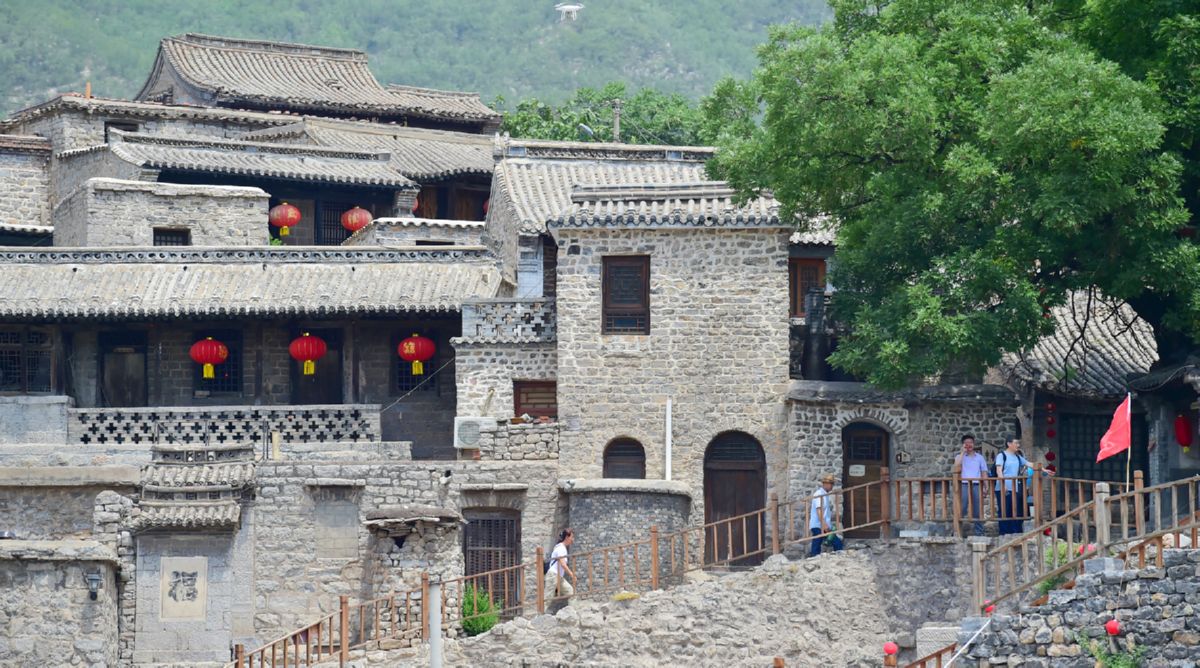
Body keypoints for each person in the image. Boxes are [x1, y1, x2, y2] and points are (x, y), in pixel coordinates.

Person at [953, 434, 989, 537]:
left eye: (971, 443)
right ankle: (958, 531)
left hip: (977, 485)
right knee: (962, 507)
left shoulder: (980, 457)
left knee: (978, 509)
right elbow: (956, 465)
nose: (969, 445)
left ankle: (979, 532)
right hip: (964, 485)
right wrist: (962, 452)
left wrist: (986, 486)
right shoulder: (960, 457)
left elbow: (984, 472)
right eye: (966, 443)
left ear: (974, 444)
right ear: (963, 444)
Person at [994, 438, 1029, 535]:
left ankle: (1014, 532)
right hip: (1003, 488)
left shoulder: (1017, 457)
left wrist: (1043, 469)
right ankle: (1004, 533)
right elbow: (999, 471)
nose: (1018, 445)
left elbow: (1029, 463)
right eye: (1016, 443)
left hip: (1014, 488)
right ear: (1009, 444)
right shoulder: (1002, 456)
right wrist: (1003, 484)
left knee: (1014, 510)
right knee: (1004, 510)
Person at [809, 473, 843, 556]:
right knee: (835, 542)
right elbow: (819, 510)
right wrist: (824, 525)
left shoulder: (824, 495)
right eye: (831, 484)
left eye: (832, 484)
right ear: (825, 484)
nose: (832, 486)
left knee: (817, 544)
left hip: (821, 525)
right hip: (819, 525)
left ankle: (814, 558)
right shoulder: (819, 494)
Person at [548, 528, 575, 604]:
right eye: (572, 537)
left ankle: (572, 610)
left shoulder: (561, 547)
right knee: (547, 598)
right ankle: (540, 611)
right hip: (553, 575)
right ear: (567, 537)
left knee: (570, 591)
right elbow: (563, 564)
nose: (573, 539)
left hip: (558, 576)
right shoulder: (561, 548)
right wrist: (572, 575)